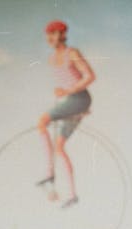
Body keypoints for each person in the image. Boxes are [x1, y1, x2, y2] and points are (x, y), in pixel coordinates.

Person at [37, 20, 96, 208]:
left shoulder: (72, 53)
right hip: (71, 102)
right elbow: (66, 81)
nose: (50, 39)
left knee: (42, 122)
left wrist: (67, 92)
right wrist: (61, 92)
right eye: (48, 36)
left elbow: (90, 76)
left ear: (62, 34)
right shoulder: (52, 59)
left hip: (79, 99)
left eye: (53, 34)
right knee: (60, 147)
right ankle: (72, 194)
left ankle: (49, 173)